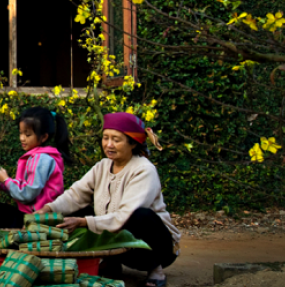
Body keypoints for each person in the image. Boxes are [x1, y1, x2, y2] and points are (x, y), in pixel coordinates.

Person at [37, 112, 180, 287]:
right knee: (77, 210)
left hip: (156, 247)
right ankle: (112, 261)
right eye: (105, 138)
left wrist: (83, 222)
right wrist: (48, 209)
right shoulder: (102, 166)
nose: (109, 144)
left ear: (133, 143)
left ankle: (155, 269)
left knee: (140, 216)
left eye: (116, 140)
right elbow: (76, 194)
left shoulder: (144, 170)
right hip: (119, 241)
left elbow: (125, 216)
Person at [0, 107, 69, 228]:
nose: (22, 138)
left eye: (28, 134)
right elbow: (23, 189)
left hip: (36, 219)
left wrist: (6, 180)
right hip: (27, 215)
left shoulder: (42, 159)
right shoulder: (36, 156)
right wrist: (1, 183)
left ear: (44, 137)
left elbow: (27, 194)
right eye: (21, 133)